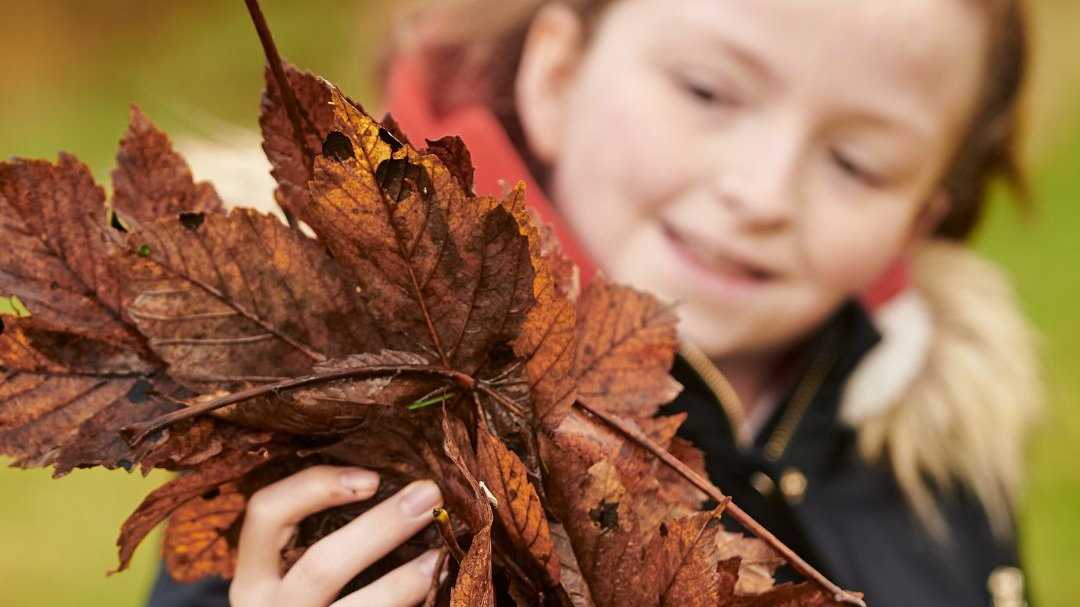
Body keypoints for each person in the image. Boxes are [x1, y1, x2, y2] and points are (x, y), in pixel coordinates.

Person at [147, 0, 1041, 606]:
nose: (764, 192)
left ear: (920, 216)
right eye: (708, 92)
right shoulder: (324, 412)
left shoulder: (928, 450)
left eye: (856, 163)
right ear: (557, 74)